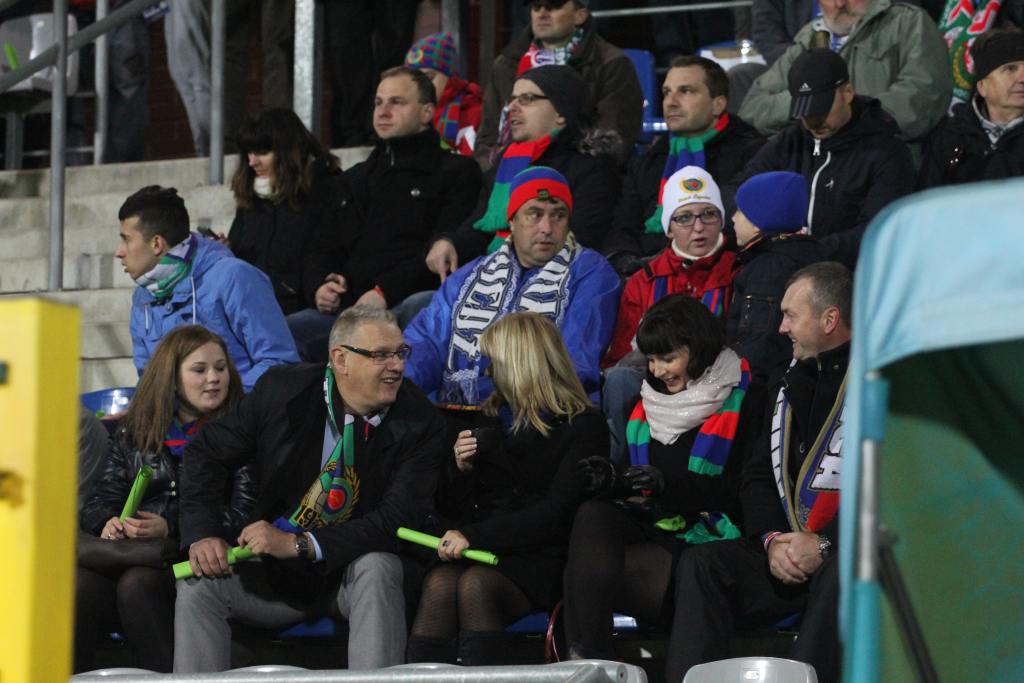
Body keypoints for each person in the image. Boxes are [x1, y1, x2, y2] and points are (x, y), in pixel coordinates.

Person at [174, 306, 447, 673]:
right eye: (381, 355)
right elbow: (205, 452)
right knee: (198, 580)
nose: (397, 366)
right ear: (341, 359)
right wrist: (202, 535)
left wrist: (300, 544)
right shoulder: (282, 390)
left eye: (400, 353)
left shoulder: (420, 421)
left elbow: (395, 520)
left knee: (379, 566)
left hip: (350, 574)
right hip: (272, 572)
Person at [668, 262, 851, 683]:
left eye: (791, 315)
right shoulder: (783, 385)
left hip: (844, 556)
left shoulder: (881, 386)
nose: (781, 327)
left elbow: (895, 495)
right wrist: (771, 542)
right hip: (784, 554)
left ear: (829, 319)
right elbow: (755, 479)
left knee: (843, 570)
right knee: (704, 564)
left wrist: (823, 545)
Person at [562, 294, 757, 674]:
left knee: (577, 573)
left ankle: (588, 665)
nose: (658, 370)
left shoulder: (746, 399)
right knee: (592, 514)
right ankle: (593, 665)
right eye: (651, 359)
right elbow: (637, 483)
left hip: (708, 546)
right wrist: (612, 480)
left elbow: (738, 491)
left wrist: (668, 485)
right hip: (654, 532)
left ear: (698, 350)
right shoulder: (644, 401)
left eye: (668, 358)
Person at [406, 312, 608, 665]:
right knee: (439, 583)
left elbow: (555, 515)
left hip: (542, 555)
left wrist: (473, 536)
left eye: (494, 363)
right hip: (484, 546)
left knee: (475, 586)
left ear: (521, 364)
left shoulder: (583, 426)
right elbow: (455, 507)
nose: (488, 372)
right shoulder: (489, 418)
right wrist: (461, 470)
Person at [75, 325, 253, 673]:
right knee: (79, 586)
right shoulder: (136, 432)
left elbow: (245, 514)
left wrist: (169, 528)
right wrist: (107, 523)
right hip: (136, 555)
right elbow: (100, 501)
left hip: (201, 562)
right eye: (200, 370)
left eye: (221, 368)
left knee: (137, 585)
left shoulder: (242, 432)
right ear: (172, 379)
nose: (214, 379)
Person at [287, 66, 482, 362]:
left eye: (397, 102)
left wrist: (384, 292)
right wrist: (321, 284)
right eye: (379, 102)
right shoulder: (355, 179)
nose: (383, 111)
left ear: (427, 113)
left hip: (405, 306)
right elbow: (321, 244)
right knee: (284, 334)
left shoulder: (456, 172)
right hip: (348, 311)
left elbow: (440, 250)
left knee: (422, 307)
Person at [404, 166, 620, 408]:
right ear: (512, 221)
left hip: (542, 416)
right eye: (534, 214)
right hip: (456, 414)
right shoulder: (469, 275)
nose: (547, 228)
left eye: (558, 216)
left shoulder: (592, 273)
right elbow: (427, 343)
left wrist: (498, 397)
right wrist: (399, 387)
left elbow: (576, 361)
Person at [425, 65, 622, 281]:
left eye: (527, 98)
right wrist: (450, 243)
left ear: (561, 113)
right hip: (493, 277)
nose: (512, 107)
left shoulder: (591, 167)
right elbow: (480, 227)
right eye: (512, 99)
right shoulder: (507, 162)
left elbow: (582, 240)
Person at [726, 49, 914, 269]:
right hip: (788, 269)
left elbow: (878, 230)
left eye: (821, 110)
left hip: (854, 277)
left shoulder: (886, 152)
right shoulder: (789, 142)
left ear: (848, 92)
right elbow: (742, 188)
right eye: (806, 113)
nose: (813, 122)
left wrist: (806, 251)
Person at [603, 166, 738, 462]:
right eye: (685, 218)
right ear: (668, 227)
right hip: (657, 382)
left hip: (715, 382)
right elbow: (621, 356)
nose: (699, 227)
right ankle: (619, 469)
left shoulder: (740, 270)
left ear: (722, 220)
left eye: (708, 214)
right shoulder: (644, 280)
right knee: (618, 380)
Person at [118, 186, 299, 391]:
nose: (119, 252)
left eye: (126, 239)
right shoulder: (143, 296)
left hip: (239, 416)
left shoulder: (234, 277)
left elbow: (279, 363)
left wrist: (224, 405)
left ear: (157, 244)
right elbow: (148, 380)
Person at [603, 56, 766, 275]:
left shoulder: (750, 152)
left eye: (686, 91)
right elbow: (623, 226)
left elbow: (740, 228)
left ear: (718, 103)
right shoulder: (650, 159)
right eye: (667, 92)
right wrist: (628, 262)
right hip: (650, 275)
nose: (671, 102)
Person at [739, 0, 951, 142]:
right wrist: (808, 103)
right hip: (817, 164)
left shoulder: (908, 22)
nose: (839, 4)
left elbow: (923, 99)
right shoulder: (809, 37)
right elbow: (752, 109)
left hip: (885, 158)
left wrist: (846, 115)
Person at [474, 0, 643, 169]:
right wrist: (494, 174)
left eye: (553, 6)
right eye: (536, 7)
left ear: (580, 15)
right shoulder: (506, 65)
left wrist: (553, 176)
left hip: (579, 178)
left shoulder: (612, 64)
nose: (542, 14)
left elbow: (614, 139)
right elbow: (487, 138)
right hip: (506, 174)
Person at [227, 108, 342, 315]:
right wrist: (225, 250)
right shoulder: (251, 196)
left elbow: (325, 253)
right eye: (248, 153)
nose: (253, 162)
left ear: (288, 152)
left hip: (299, 306)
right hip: (250, 307)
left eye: (262, 152)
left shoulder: (326, 188)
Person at [727, 171, 827, 382]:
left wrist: (737, 385)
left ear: (757, 222)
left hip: (760, 388)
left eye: (740, 211)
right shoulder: (808, 253)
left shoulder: (769, 269)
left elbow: (759, 343)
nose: (733, 218)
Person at [918, 29, 1024, 190]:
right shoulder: (948, 136)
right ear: (982, 86)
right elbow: (926, 202)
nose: (1023, 79)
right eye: (1010, 69)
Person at [405, 32, 484, 156]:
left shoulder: (472, 113)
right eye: (413, 81)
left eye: (429, 78)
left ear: (451, 78)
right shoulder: (405, 113)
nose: (420, 86)